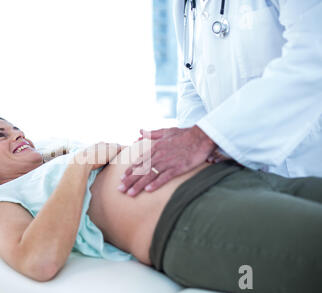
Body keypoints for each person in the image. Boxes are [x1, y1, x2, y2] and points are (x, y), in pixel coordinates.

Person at [0, 115, 322, 293]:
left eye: (16, 128)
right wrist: (81, 165)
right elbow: (38, 260)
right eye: (0, 135)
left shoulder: (56, 161)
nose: (18, 134)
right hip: (191, 218)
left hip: (239, 177)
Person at [119, 0, 322, 198]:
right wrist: (196, 145)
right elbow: (191, 76)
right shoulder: (185, 4)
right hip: (242, 182)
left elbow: (313, 57)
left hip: (306, 166)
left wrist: (206, 137)